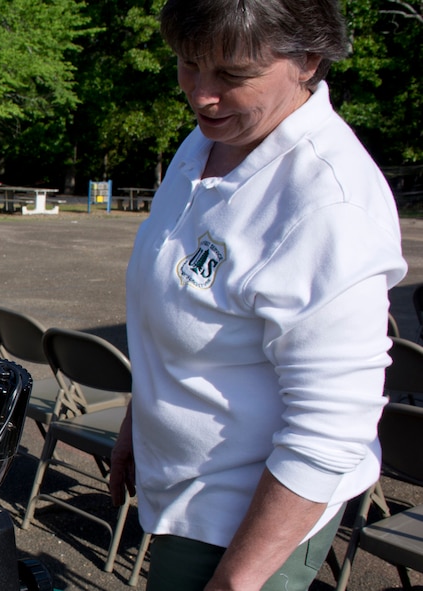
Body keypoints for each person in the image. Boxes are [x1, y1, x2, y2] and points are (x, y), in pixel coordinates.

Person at [109, 1, 407, 590]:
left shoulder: (328, 206)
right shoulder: (204, 147)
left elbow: (330, 427)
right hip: (186, 493)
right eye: (188, 64)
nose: (201, 95)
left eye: (232, 76)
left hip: (246, 524)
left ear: (309, 61)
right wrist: (137, 418)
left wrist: (237, 579)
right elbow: (176, 312)